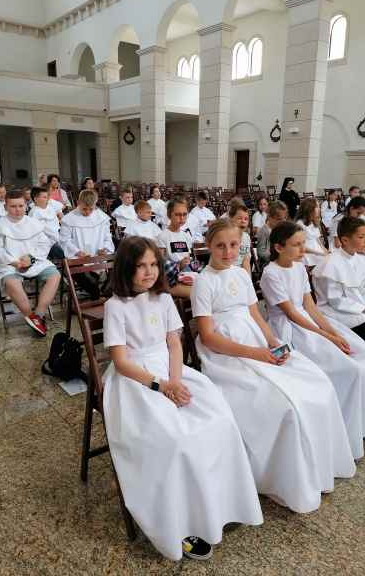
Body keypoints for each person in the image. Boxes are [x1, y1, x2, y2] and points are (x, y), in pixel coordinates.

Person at [103, 236, 263, 561]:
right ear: (126, 269)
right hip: (136, 379)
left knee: (219, 419)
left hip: (170, 369)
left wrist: (176, 380)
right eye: (141, 266)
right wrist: (162, 386)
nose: (149, 272)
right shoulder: (115, 307)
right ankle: (180, 524)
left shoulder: (162, 298)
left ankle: (219, 503)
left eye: (153, 264)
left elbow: (174, 345)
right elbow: (120, 362)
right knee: (175, 439)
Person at [191, 219, 355, 514]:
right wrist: (256, 353)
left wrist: (273, 343)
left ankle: (319, 467)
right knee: (284, 407)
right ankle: (281, 480)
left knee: (316, 382)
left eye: (233, 245)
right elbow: (208, 336)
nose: (228, 252)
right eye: (220, 246)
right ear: (209, 247)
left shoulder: (241, 275)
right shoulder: (204, 281)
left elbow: (256, 316)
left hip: (257, 342)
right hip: (228, 353)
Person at [261, 221, 365, 457]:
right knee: (348, 369)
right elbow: (291, 313)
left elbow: (310, 306)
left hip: (309, 322)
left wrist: (333, 332)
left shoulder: (298, 267)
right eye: (297, 244)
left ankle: (364, 420)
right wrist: (326, 336)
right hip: (289, 328)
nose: (303, 249)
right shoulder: (271, 273)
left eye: (303, 243)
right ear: (279, 247)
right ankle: (344, 427)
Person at [312, 217, 365, 352]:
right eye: (361, 237)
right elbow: (336, 300)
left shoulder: (357, 259)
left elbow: (360, 289)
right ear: (345, 240)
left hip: (355, 304)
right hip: (333, 310)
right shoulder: (330, 265)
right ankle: (362, 353)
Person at [0, 189, 60, 336]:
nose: (17, 210)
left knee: (55, 275)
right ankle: (30, 316)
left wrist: (31, 258)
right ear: (5, 207)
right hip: (9, 265)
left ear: (25, 206)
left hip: (33, 261)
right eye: (13, 206)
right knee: (11, 282)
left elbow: (44, 244)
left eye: (21, 206)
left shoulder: (33, 223)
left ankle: (39, 314)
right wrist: (14, 262)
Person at [60, 190, 114, 299]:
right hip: (77, 258)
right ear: (78, 203)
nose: (88, 212)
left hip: (98, 256)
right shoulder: (69, 219)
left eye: (91, 209)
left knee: (118, 267)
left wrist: (105, 248)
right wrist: (77, 252)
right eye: (84, 209)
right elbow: (64, 240)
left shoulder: (102, 218)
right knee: (91, 283)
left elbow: (107, 238)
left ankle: (105, 291)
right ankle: (96, 297)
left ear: (95, 204)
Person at [29, 187, 64, 260]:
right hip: (47, 242)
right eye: (44, 197)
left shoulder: (50, 208)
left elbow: (56, 223)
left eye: (47, 196)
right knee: (64, 253)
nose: (47, 199)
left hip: (58, 236)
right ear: (36, 199)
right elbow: (39, 231)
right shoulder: (34, 213)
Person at [157, 198, 193, 269]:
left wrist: (187, 263)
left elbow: (187, 258)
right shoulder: (162, 236)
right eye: (177, 214)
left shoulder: (186, 236)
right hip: (172, 273)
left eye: (184, 214)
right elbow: (160, 263)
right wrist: (179, 265)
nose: (182, 218)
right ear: (169, 215)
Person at [295, 198, 329, 267]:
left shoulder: (314, 221)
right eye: (317, 207)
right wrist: (319, 253)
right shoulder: (300, 224)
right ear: (310, 209)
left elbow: (317, 239)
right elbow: (300, 246)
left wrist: (325, 250)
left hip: (317, 252)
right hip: (308, 253)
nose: (319, 209)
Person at [256, 200, 288, 268]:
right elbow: (261, 252)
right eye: (279, 219)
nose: (282, 222)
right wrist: (275, 257)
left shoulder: (281, 230)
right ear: (270, 217)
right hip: (267, 264)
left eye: (284, 219)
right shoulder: (264, 231)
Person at [228, 203, 251, 273]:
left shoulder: (246, 237)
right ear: (231, 219)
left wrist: (248, 278)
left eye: (246, 219)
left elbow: (246, 261)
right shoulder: (226, 237)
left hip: (241, 273)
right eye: (239, 218)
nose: (243, 221)